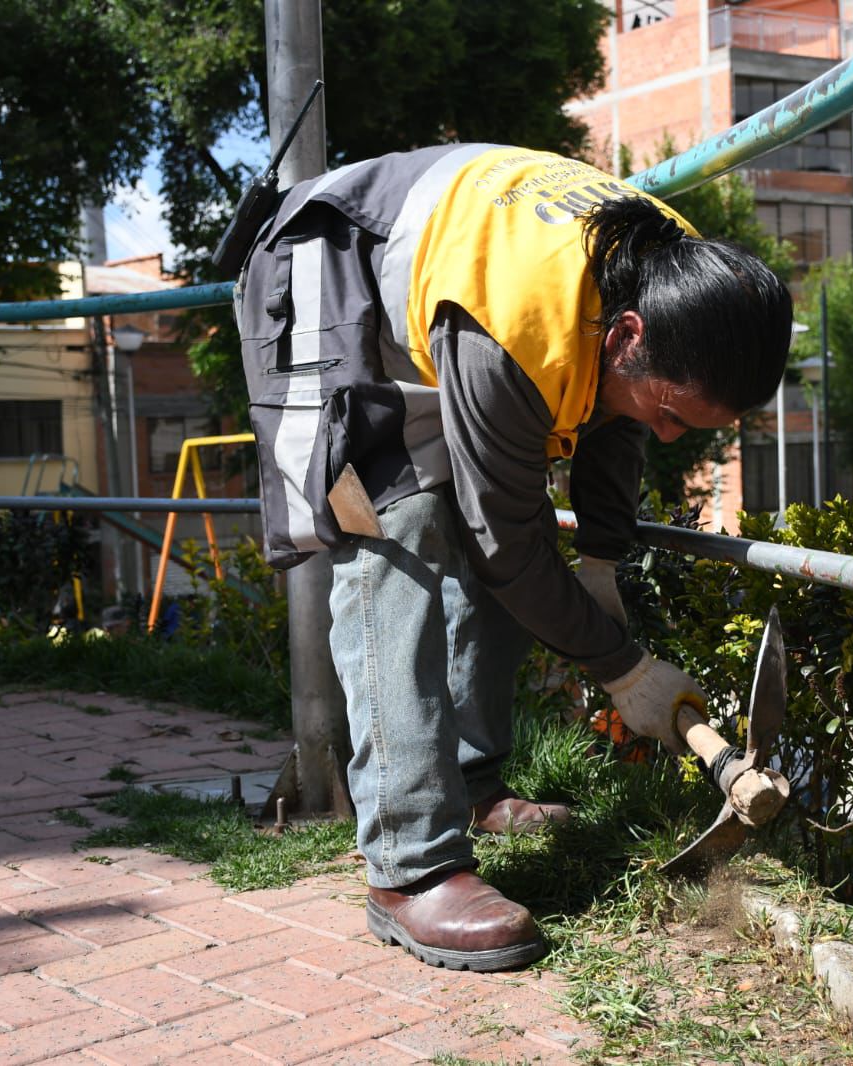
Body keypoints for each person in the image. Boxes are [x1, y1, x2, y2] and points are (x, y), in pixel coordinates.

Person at [233, 144, 791, 972]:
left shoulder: (671, 270)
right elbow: (508, 540)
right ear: (628, 336)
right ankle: (409, 866)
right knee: (400, 528)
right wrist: (626, 669)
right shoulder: (522, 317)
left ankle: (471, 783)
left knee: (496, 522)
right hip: (331, 265)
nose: (671, 436)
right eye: (675, 418)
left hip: (452, 293)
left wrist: (601, 556)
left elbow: (621, 421)